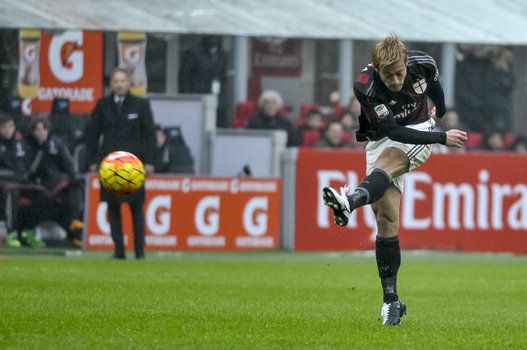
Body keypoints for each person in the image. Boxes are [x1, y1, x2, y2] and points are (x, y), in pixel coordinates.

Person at [321, 35, 467, 326]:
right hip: (384, 137)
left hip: (420, 128)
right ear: (377, 68)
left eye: (400, 72)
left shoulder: (423, 63)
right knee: (386, 218)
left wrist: (439, 122)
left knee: (389, 162)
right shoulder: (365, 85)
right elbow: (392, 132)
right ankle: (392, 302)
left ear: (405, 62)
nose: (397, 79)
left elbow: (437, 94)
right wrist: (443, 138)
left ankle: (349, 202)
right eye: (389, 75)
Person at [85, 68, 156, 259]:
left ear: (129, 83)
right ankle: (119, 251)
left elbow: (150, 135)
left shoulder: (141, 105)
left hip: (134, 166)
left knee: (136, 208)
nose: (119, 84)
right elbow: (92, 134)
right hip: (110, 165)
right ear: (111, 84)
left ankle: (140, 252)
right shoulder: (102, 105)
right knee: (112, 208)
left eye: (122, 80)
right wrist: (92, 160)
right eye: (116, 81)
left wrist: (149, 162)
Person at [25, 117, 84, 247]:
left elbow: (69, 164)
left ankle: (75, 223)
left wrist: (73, 176)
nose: (41, 132)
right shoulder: (29, 147)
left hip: (57, 182)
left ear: (48, 130)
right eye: (37, 130)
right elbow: (30, 170)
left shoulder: (57, 144)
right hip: (39, 185)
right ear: (33, 132)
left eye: (43, 129)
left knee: (76, 185)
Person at [0, 114, 49, 247]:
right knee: (12, 191)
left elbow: (28, 165)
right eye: (4, 127)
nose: (8, 130)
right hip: (4, 182)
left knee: (44, 195)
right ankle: (11, 232)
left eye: (10, 126)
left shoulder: (21, 142)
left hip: (22, 181)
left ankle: (28, 230)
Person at [179, 36, 229, 128]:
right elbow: (185, 77)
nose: (213, 39)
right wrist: (189, 98)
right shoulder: (194, 53)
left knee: (217, 124)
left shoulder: (221, 55)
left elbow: (223, 78)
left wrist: (222, 98)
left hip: (217, 99)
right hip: (198, 97)